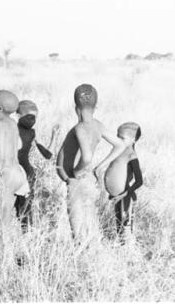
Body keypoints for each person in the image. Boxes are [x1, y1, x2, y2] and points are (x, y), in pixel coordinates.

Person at [56, 84, 126, 245]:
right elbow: (120, 145)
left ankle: (84, 260)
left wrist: (77, 170)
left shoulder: (80, 128)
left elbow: (86, 156)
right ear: (96, 106)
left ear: (75, 107)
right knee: (90, 222)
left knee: (79, 227)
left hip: (78, 181)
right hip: (87, 181)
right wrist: (99, 166)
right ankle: (94, 256)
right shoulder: (98, 125)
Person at [0, 90, 30, 241]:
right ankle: (8, 251)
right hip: (18, 172)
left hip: (6, 173)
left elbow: (1, 156)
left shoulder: (0, 124)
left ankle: (5, 257)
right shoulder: (13, 124)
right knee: (7, 217)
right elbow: (19, 145)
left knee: (0, 220)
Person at [14, 100, 60, 232]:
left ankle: (26, 232)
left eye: (35, 117)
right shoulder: (10, 130)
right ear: (18, 116)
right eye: (29, 116)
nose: (32, 120)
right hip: (13, 171)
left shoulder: (32, 133)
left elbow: (47, 155)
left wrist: (54, 136)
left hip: (27, 174)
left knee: (26, 206)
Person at [104, 122, 143, 245]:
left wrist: (124, 194)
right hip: (117, 195)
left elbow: (139, 181)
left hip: (125, 196)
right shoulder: (117, 151)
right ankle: (122, 248)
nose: (118, 140)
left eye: (122, 138)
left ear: (133, 140)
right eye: (117, 136)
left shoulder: (131, 155)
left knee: (126, 225)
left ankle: (129, 252)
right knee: (119, 223)